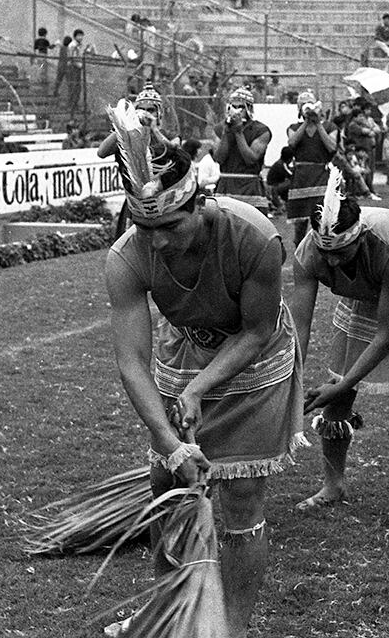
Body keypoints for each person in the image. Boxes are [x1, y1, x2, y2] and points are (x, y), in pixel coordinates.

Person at [103, 97, 304, 638]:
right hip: (184, 353)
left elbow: (258, 330)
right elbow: (131, 362)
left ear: (198, 204)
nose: (159, 241)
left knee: (240, 500)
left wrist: (200, 387)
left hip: (254, 363)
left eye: (170, 226)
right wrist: (171, 442)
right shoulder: (127, 256)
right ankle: (169, 612)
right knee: (167, 486)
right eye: (148, 230)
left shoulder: (254, 236)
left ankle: (230, 629)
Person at [290, 170, 389, 536]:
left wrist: (344, 382)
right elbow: (300, 326)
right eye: (326, 255)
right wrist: (293, 379)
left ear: (359, 236)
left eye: (342, 254)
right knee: (338, 396)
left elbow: (386, 336)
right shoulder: (309, 253)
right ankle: (334, 484)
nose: (332, 263)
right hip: (361, 300)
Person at [285, 91, 339, 243]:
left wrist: (318, 124)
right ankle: (299, 253)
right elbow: (292, 143)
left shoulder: (330, 126)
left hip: (321, 175)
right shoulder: (293, 127)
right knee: (300, 225)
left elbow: (331, 147)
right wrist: (306, 123)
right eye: (303, 106)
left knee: (323, 220)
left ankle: (323, 251)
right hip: (301, 177)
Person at [212, 86, 272, 212]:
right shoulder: (220, 128)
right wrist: (226, 133)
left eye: (241, 107)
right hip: (226, 185)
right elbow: (219, 158)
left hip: (249, 186)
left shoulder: (261, 130)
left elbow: (251, 159)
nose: (237, 110)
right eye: (234, 106)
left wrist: (239, 133)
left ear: (249, 108)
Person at [264, 146, 293, 216]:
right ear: (290, 158)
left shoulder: (279, 163)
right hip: (273, 188)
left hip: (271, 186)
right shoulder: (281, 165)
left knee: (287, 184)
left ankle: (286, 204)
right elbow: (291, 176)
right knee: (291, 183)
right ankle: (282, 205)